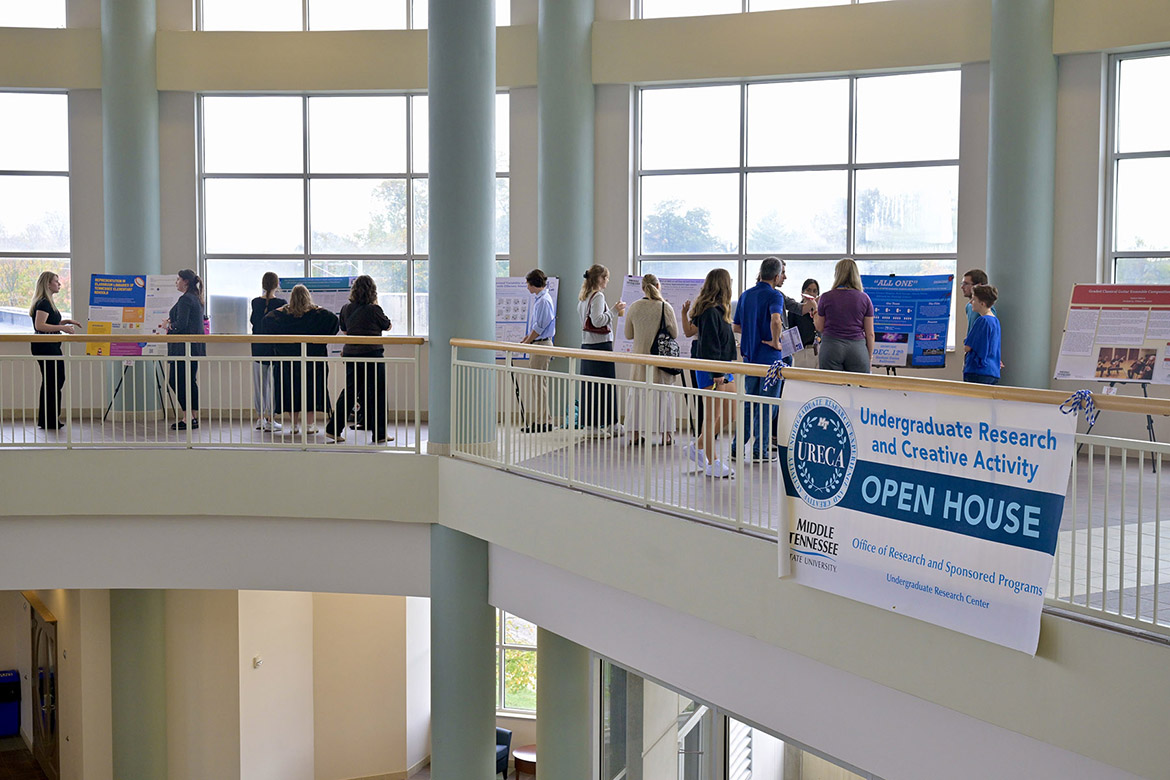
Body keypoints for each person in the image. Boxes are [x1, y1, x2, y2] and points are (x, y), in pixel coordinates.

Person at [733, 257, 808, 462]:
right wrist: (776, 342)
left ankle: (736, 446)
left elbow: (736, 326)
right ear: (776, 276)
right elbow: (776, 319)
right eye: (782, 274)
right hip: (772, 361)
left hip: (750, 358)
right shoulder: (775, 296)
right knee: (768, 404)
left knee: (749, 402)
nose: (784, 277)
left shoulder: (746, 295)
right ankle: (760, 450)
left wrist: (754, 335)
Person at [682, 268, 738, 478]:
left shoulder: (720, 310)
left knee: (731, 412)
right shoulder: (709, 312)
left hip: (723, 367)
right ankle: (712, 460)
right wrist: (716, 373)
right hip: (712, 369)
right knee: (712, 414)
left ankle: (697, 446)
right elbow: (709, 345)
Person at [325, 275, 392, 444]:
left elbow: (345, 330)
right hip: (372, 355)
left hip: (351, 354)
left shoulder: (346, 308)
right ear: (373, 291)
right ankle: (380, 434)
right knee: (377, 393)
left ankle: (333, 429)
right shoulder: (374, 309)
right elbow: (388, 326)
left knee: (350, 391)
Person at [265, 284, 340, 435]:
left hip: (288, 362)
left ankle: (294, 425)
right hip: (313, 361)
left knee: (290, 390)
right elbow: (334, 321)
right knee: (312, 390)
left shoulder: (282, 314)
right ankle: (310, 425)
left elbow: (267, 321)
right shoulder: (318, 314)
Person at [623, 274, 679, 446]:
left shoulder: (634, 307)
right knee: (665, 397)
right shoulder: (665, 307)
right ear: (657, 286)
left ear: (642, 287)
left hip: (639, 361)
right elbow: (675, 334)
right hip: (661, 364)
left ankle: (634, 433)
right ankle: (666, 435)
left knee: (637, 396)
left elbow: (628, 334)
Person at [577, 264, 626, 437]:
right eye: (605, 278)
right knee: (605, 386)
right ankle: (602, 426)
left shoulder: (584, 297)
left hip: (587, 345)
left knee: (591, 387)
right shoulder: (597, 296)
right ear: (599, 279)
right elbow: (598, 321)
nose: (607, 281)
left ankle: (597, 425)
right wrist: (614, 310)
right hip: (600, 346)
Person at [28, 271, 80, 430]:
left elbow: (48, 322)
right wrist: (62, 327)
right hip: (46, 346)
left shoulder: (46, 302)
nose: (59, 284)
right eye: (56, 281)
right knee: (54, 381)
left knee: (53, 381)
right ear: (48, 284)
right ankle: (50, 419)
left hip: (49, 345)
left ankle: (48, 418)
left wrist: (65, 322)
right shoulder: (44, 302)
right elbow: (40, 325)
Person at [814, 258, 874, 374]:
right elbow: (870, 333)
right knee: (859, 389)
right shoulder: (865, 298)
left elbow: (820, 327)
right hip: (857, 348)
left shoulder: (826, 297)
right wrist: (869, 357)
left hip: (831, 347)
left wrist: (815, 313)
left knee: (831, 389)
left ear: (837, 274)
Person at [164, 269, 207, 431]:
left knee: (176, 381)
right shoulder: (195, 298)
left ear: (186, 282)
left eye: (178, 279)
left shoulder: (185, 299)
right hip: (194, 347)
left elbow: (181, 324)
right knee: (189, 381)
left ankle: (188, 416)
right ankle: (192, 416)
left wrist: (168, 325)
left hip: (183, 349)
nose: (176, 282)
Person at [519, 269, 556, 433]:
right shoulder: (541, 300)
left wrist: (527, 342)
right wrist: (527, 339)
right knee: (538, 384)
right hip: (537, 344)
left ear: (534, 283)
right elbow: (536, 326)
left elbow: (539, 328)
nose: (527, 287)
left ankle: (543, 421)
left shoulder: (543, 301)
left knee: (539, 385)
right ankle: (543, 419)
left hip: (541, 345)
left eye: (528, 283)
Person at [250, 271, 287, 432]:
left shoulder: (255, 302)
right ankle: (271, 419)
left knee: (259, 385)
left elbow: (253, 322)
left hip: (257, 348)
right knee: (273, 385)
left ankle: (260, 418)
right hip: (274, 349)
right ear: (277, 284)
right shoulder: (282, 303)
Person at [963, 284, 1001, 385]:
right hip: (993, 371)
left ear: (982, 303)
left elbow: (967, 347)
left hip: (978, 371)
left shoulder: (982, 321)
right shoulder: (995, 321)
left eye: (974, 299)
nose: (971, 302)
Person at [792, 277, 821, 369]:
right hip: (801, 352)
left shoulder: (820, 312)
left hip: (818, 350)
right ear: (803, 291)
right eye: (808, 290)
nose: (811, 293)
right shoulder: (794, 311)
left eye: (814, 291)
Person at [960, 268, 996, 339]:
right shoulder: (969, 306)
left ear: (978, 286)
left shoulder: (988, 310)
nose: (962, 287)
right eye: (962, 283)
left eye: (966, 284)